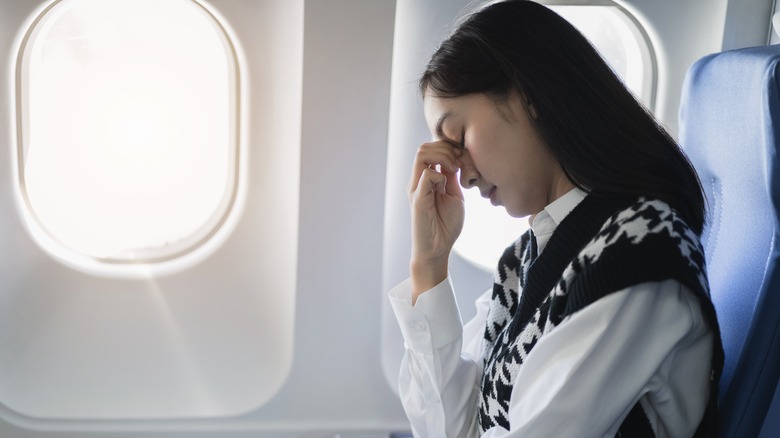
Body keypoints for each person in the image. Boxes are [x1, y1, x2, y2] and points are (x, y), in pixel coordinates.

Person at [387, 1, 724, 437]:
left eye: (458, 137)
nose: (461, 174)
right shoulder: (526, 261)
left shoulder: (638, 253)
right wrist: (429, 264)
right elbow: (454, 430)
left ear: (529, 96)